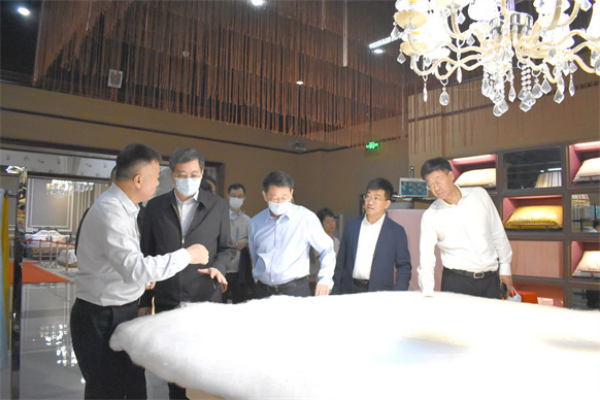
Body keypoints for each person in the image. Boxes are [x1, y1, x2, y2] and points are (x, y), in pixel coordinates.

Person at [70, 144, 210, 400]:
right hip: (102, 316)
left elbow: (125, 265)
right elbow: (135, 269)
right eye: (155, 177)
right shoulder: (110, 212)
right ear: (138, 180)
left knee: (131, 388)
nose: (158, 183)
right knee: (109, 391)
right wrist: (187, 255)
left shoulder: (125, 209)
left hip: (120, 309)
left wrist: (141, 280)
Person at [139, 147, 234, 400]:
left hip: (205, 298)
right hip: (167, 298)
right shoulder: (155, 207)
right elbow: (146, 256)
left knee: (203, 370)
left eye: (194, 174)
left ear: (202, 173)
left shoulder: (217, 206)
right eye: (182, 174)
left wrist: (219, 267)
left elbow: (227, 248)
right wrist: (144, 301)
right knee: (174, 372)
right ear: (172, 175)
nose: (188, 179)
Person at [418, 157, 513, 299]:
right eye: (430, 185)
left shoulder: (479, 195)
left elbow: (497, 232)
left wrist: (505, 267)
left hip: (490, 280)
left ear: (451, 176)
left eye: (438, 181)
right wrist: (427, 291)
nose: (436, 188)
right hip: (457, 282)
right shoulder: (431, 215)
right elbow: (426, 257)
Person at [249, 171, 335, 298]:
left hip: (295, 291)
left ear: (291, 193)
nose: (280, 202)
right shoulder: (256, 222)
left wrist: (325, 279)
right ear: (265, 196)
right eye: (275, 199)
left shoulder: (305, 218)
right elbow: (255, 257)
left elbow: (327, 250)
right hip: (263, 292)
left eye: (284, 198)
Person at [332, 178, 412, 294]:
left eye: (376, 198)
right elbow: (340, 262)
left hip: (380, 293)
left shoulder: (396, 231)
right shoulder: (351, 225)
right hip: (349, 290)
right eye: (368, 196)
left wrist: (398, 293)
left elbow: (403, 267)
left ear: (387, 204)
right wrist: (335, 291)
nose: (370, 202)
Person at [223, 183, 252, 303]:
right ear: (228, 197)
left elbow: (254, 243)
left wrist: (246, 242)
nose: (236, 198)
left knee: (239, 304)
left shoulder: (248, 221)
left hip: (240, 271)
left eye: (239, 196)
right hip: (222, 268)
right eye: (233, 195)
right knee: (219, 304)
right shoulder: (220, 217)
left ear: (244, 198)